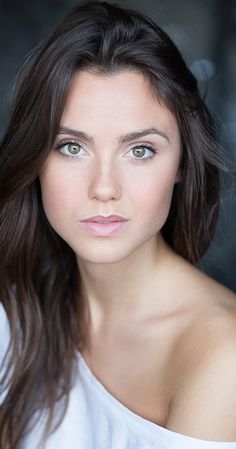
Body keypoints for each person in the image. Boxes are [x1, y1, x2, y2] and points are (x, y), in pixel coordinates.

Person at [0, 1, 236, 448]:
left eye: (140, 150)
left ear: (182, 161)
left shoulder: (224, 358)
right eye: (71, 147)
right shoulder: (19, 305)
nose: (104, 188)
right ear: (34, 158)